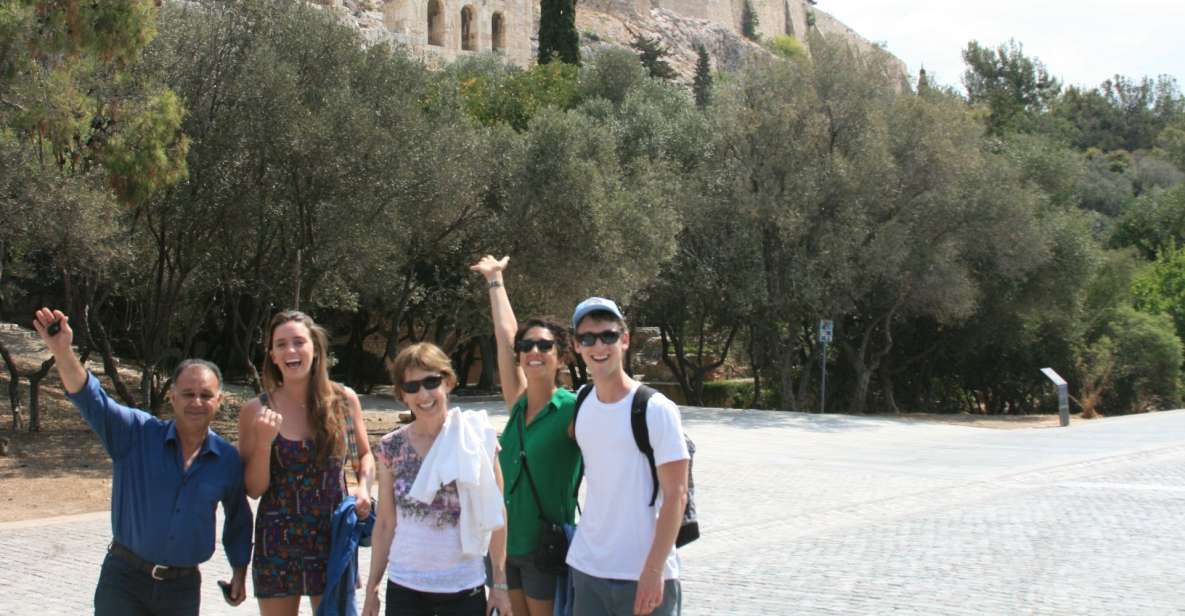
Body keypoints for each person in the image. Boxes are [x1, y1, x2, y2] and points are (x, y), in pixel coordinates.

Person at [31, 308, 252, 616]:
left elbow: (238, 518)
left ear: (219, 401)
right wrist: (62, 350)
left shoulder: (226, 460)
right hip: (124, 582)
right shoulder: (135, 434)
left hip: (181, 590)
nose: (196, 401)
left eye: (205, 394)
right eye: (188, 393)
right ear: (172, 397)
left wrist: (240, 570)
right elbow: (91, 398)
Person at [238, 310, 375, 615]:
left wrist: (363, 488)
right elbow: (254, 489)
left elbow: (363, 455)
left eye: (299, 342)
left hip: (331, 536)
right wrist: (263, 443)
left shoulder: (343, 400)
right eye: (281, 344)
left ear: (316, 348)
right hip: (277, 540)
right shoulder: (255, 410)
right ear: (272, 355)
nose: (291, 351)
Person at [362, 342, 513, 616]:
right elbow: (384, 522)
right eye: (412, 387)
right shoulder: (391, 447)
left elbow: (497, 513)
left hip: (464, 587)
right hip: (405, 589)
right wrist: (372, 588)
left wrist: (500, 585)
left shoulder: (478, 439)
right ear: (402, 395)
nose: (423, 394)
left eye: (431, 382)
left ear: (448, 382)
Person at [470, 255, 581, 616]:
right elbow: (505, 338)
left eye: (545, 346)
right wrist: (495, 280)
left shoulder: (572, 410)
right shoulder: (517, 404)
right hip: (503, 544)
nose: (534, 351)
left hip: (544, 547)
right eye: (527, 346)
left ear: (561, 357)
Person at [564, 298, 690, 616]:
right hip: (588, 568)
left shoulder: (655, 409)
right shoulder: (581, 402)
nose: (598, 346)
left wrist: (652, 571)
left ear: (625, 339)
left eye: (607, 335)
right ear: (576, 345)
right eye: (587, 338)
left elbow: (677, 495)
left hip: (643, 575)